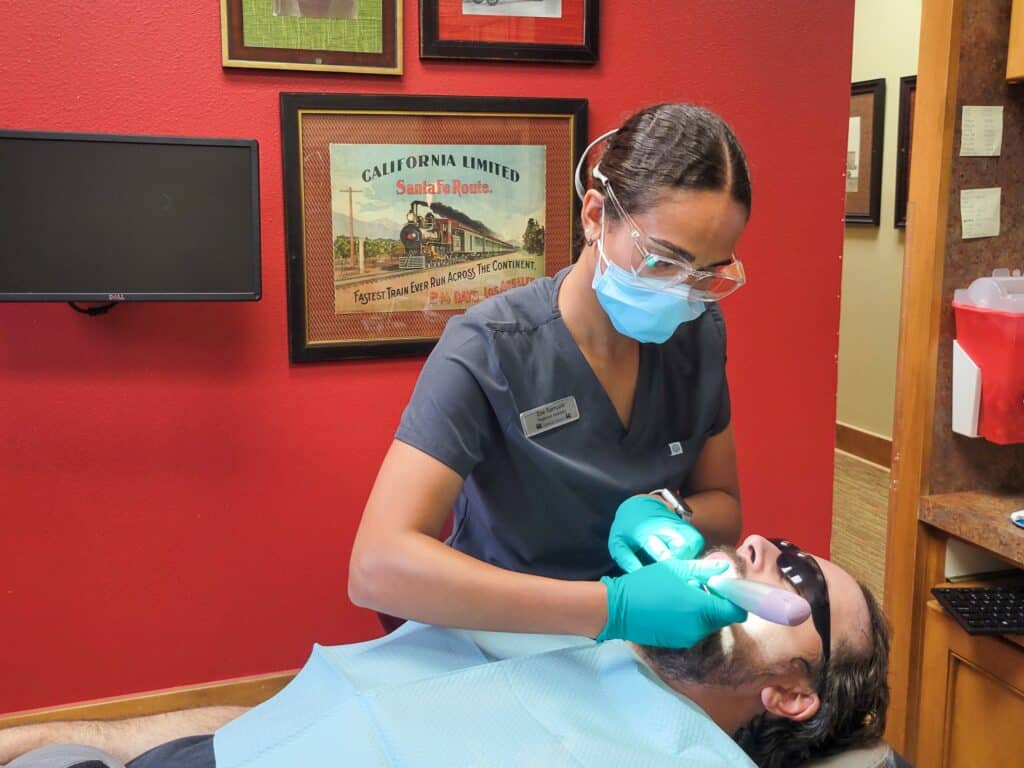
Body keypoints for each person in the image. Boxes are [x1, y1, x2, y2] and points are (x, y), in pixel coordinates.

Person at [349, 102, 754, 650]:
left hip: (636, 643)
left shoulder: (698, 333)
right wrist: (612, 608)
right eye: (662, 261)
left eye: (706, 274)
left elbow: (725, 508)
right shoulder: (489, 347)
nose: (682, 293)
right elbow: (375, 566)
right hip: (501, 631)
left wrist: (667, 511)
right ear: (594, 216)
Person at [0, 536, 891, 768]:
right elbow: (382, 580)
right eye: (783, 544)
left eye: (804, 582)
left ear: (793, 695)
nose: (771, 552)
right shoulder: (596, 640)